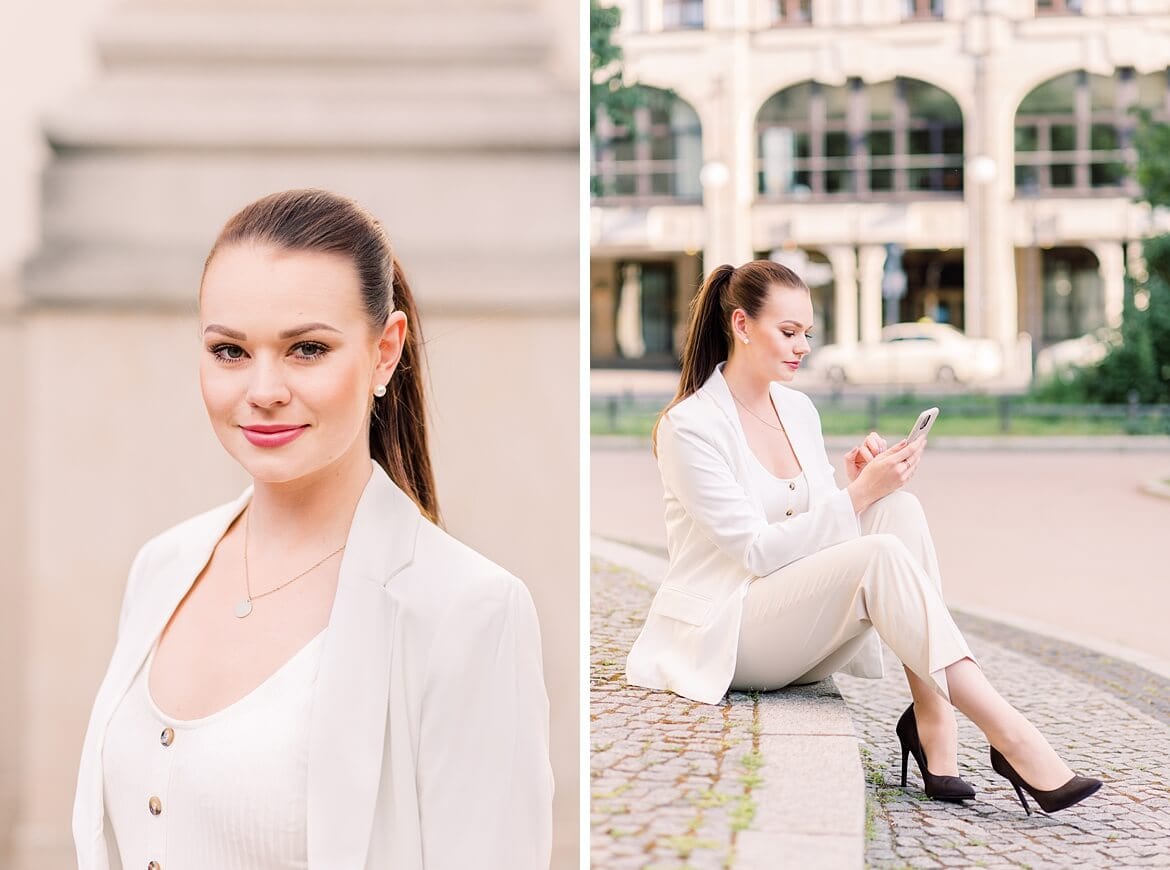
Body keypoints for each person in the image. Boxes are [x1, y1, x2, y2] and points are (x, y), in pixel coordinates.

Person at [72, 189, 553, 869]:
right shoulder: (162, 566)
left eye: (306, 349)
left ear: (384, 352)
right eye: (230, 351)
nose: (263, 389)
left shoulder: (469, 610)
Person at [626, 260, 1100, 815]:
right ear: (741, 324)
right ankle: (1012, 736)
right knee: (876, 549)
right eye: (788, 332)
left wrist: (860, 487)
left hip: (794, 628)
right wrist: (854, 497)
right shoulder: (689, 426)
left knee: (898, 509)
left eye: (808, 333)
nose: (802, 346)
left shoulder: (797, 409)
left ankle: (932, 721)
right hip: (728, 635)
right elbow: (756, 551)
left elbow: (814, 529)